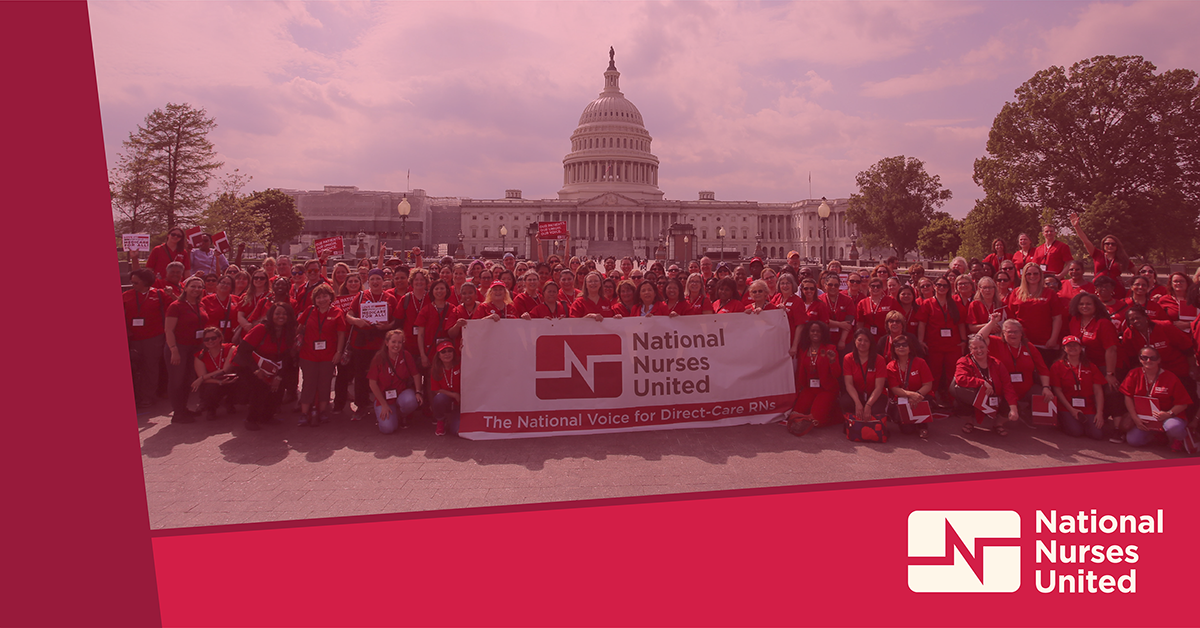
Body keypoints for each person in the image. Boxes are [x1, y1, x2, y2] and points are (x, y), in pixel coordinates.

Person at [978, 318, 1053, 427]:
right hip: (1002, 389)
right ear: (1003, 333)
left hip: (1025, 389)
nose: (1013, 334)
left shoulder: (1029, 347)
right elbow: (979, 338)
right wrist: (992, 322)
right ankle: (999, 420)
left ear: (1021, 333)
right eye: (1009, 332)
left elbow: (1042, 369)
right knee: (1007, 403)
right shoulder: (996, 343)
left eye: (1016, 331)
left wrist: (1046, 387)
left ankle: (1028, 415)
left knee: (1042, 393)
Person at [344, 269, 398, 421]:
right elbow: (348, 315)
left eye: (378, 279)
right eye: (372, 279)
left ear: (383, 281)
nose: (375, 282)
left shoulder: (390, 298)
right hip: (362, 343)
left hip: (381, 343)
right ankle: (361, 405)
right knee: (361, 376)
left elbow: (397, 319)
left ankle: (385, 404)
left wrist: (388, 326)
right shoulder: (361, 296)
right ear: (368, 281)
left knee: (383, 375)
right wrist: (357, 321)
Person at [1119, 346, 1194, 450]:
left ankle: (1180, 438)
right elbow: (1128, 397)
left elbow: (1183, 403)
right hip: (1145, 418)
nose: (1148, 361)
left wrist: (1168, 413)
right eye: (1144, 358)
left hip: (1169, 416)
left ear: (1159, 360)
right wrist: (1135, 418)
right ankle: (1157, 435)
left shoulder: (1170, 377)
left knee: (1173, 428)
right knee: (1133, 441)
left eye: (1153, 358)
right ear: (1140, 359)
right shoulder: (1134, 373)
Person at [234, 303, 293, 431]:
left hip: (273, 365)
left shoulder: (288, 331)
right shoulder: (260, 329)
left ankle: (267, 416)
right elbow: (243, 351)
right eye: (277, 313)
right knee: (259, 389)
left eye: (284, 314)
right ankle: (251, 419)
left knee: (277, 388)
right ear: (271, 315)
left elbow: (287, 357)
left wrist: (279, 377)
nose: (281, 316)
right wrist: (256, 370)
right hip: (250, 365)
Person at [296, 284, 348, 426]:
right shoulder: (309, 311)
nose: (322, 299)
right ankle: (304, 412)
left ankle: (323, 411)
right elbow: (298, 328)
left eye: (325, 296)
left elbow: (341, 334)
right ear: (314, 299)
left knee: (324, 384)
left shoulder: (337, 312)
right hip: (308, 354)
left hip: (328, 354)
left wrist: (338, 352)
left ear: (330, 297)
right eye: (318, 297)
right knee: (309, 384)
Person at [952, 334, 1020, 436]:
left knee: (1012, 402)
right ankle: (969, 422)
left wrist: (1014, 409)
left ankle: (998, 424)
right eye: (975, 348)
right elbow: (961, 379)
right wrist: (982, 382)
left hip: (995, 397)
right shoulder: (963, 361)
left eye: (982, 347)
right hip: (974, 398)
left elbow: (1007, 386)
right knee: (959, 400)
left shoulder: (997, 363)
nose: (979, 350)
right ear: (970, 349)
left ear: (987, 348)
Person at [916, 275, 968, 408]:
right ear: (934, 286)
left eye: (945, 286)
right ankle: (932, 401)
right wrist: (920, 341)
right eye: (939, 285)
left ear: (949, 288)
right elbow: (922, 324)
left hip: (953, 344)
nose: (941, 288)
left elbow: (961, 323)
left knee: (953, 374)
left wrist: (963, 341)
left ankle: (954, 401)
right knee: (934, 374)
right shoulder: (927, 304)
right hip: (934, 344)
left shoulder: (955, 304)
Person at [163, 276, 209, 422]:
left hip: (195, 347)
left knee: (187, 379)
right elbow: (169, 330)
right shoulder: (176, 306)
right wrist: (173, 349)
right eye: (193, 286)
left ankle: (184, 409)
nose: (196, 289)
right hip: (179, 347)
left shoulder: (200, 305)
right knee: (177, 380)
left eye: (199, 287)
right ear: (185, 287)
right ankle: (178, 413)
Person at [124, 268, 169, 410]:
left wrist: (172, 294)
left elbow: (176, 306)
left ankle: (148, 397)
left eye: (136, 282)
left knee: (150, 368)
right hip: (133, 338)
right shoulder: (126, 296)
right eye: (132, 282)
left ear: (145, 282)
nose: (133, 285)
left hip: (154, 338)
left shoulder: (160, 295)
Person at [786, 321, 841, 436]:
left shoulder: (830, 348)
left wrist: (832, 361)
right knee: (794, 415)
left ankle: (835, 414)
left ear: (823, 333)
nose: (815, 333)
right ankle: (810, 415)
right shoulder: (804, 350)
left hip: (826, 389)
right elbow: (801, 372)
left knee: (817, 421)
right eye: (812, 331)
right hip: (809, 388)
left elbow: (837, 374)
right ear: (808, 333)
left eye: (818, 331)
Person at [368, 329, 422, 434]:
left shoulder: (406, 355)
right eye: (393, 342)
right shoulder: (379, 358)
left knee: (411, 401)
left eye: (399, 342)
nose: (396, 345)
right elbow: (372, 383)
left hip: (401, 392)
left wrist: (418, 391)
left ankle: (402, 415)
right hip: (384, 397)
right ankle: (386, 414)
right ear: (387, 343)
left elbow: (416, 374)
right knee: (387, 429)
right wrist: (383, 404)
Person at [1050, 336, 1106, 440]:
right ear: (1064, 349)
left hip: (1088, 407)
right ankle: (1062, 421)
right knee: (1076, 432)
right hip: (1067, 407)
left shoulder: (1091, 366)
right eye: (1069, 346)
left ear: (1081, 348)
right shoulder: (1057, 366)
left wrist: (1099, 413)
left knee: (1097, 435)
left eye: (1075, 345)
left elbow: (1098, 391)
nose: (1072, 348)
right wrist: (1071, 410)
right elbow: (1057, 390)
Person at [1064, 291, 1121, 393]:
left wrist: (1110, 374)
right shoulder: (1074, 320)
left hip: (1105, 365)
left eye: (1088, 304)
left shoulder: (1103, 323)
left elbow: (1111, 349)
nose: (1084, 306)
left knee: (1109, 391)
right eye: (1081, 304)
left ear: (1096, 306)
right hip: (1086, 364)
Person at [1005, 263, 1063, 361]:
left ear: (1040, 275)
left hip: (1045, 343)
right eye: (1029, 274)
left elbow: (1057, 318)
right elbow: (1011, 319)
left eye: (1036, 274)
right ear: (1024, 276)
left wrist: (1053, 339)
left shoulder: (1050, 293)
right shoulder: (1016, 293)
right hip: (1022, 342)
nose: (1032, 276)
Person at [885, 332, 934, 439]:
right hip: (903, 397)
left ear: (910, 348)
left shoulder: (920, 362)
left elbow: (928, 384)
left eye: (904, 345)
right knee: (907, 431)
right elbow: (894, 389)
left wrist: (917, 395)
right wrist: (911, 395)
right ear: (894, 349)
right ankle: (910, 421)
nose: (901, 347)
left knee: (923, 400)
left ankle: (923, 425)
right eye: (897, 345)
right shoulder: (890, 366)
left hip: (921, 395)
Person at [1070, 213, 1130, 299]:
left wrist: (1128, 281)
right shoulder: (1098, 254)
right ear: (1103, 244)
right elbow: (1086, 241)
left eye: (1113, 244)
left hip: (1116, 289)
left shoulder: (1121, 258)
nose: (1110, 246)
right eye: (1107, 243)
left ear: (1117, 246)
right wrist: (1077, 227)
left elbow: (1137, 272)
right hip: (1098, 288)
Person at [191, 326, 238, 420]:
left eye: (213, 338)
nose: (210, 341)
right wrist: (219, 382)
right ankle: (211, 409)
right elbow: (204, 380)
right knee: (210, 389)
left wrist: (202, 378)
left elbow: (226, 370)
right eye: (206, 339)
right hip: (215, 381)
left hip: (231, 378)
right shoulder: (200, 356)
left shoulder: (230, 348)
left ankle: (229, 402)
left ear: (220, 338)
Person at [841, 328, 888, 422]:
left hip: (875, 395)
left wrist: (868, 405)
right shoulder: (848, 358)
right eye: (860, 340)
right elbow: (849, 384)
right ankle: (852, 424)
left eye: (866, 341)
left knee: (875, 411)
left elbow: (879, 387)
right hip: (858, 394)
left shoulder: (879, 359)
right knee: (845, 402)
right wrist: (857, 402)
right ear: (854, 341)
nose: (862, 343)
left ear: (871, 343)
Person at [414, 279, 456, 370]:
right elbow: (420, 335)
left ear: (447, 291)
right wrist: (422, 355)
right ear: (432, 291)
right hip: (430, 352)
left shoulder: (453, 309)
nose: (439, 291)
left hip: (447, 353)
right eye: (436, 289)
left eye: (442, 288)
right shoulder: (426, 310)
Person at [429, 340, 460, 436]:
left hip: (459, 403)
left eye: (449, 351)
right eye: (443, 352)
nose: (447, 354)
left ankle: (454, 418)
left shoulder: (460, 365)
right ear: (439, 355)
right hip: (448, 399)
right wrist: (454, 395)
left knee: (456, 431)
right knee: (439, 398)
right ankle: (440, 421)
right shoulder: (436, 369)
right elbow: (436, 389)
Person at [856, 276, 898, 343]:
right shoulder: (862, 303)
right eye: (873, 286)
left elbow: (899, 319)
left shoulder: (891, 300)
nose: (875, 288)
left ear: (882, 288)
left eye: (878, 286)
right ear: (869, 288)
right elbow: (860, 323)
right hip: (868, 338)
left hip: (886, 337)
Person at [820, 272, 855, 353]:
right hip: (825, 339)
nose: (833, 287)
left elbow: (848, 323)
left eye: (836, 285)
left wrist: (842, 340)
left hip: (844, 340)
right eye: (830, 285)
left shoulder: (848, 300)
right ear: (825, 285)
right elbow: (822, 321)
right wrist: (840, 324)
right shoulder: (820, 300)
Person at [200, 274, 240, 343]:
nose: (225, 285)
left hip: (232, 338)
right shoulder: (206, 300)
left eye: (228, 284)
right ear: (217, 285)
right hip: (212, 339)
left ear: (231, 287)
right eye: (223, 282)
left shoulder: (237, 300)